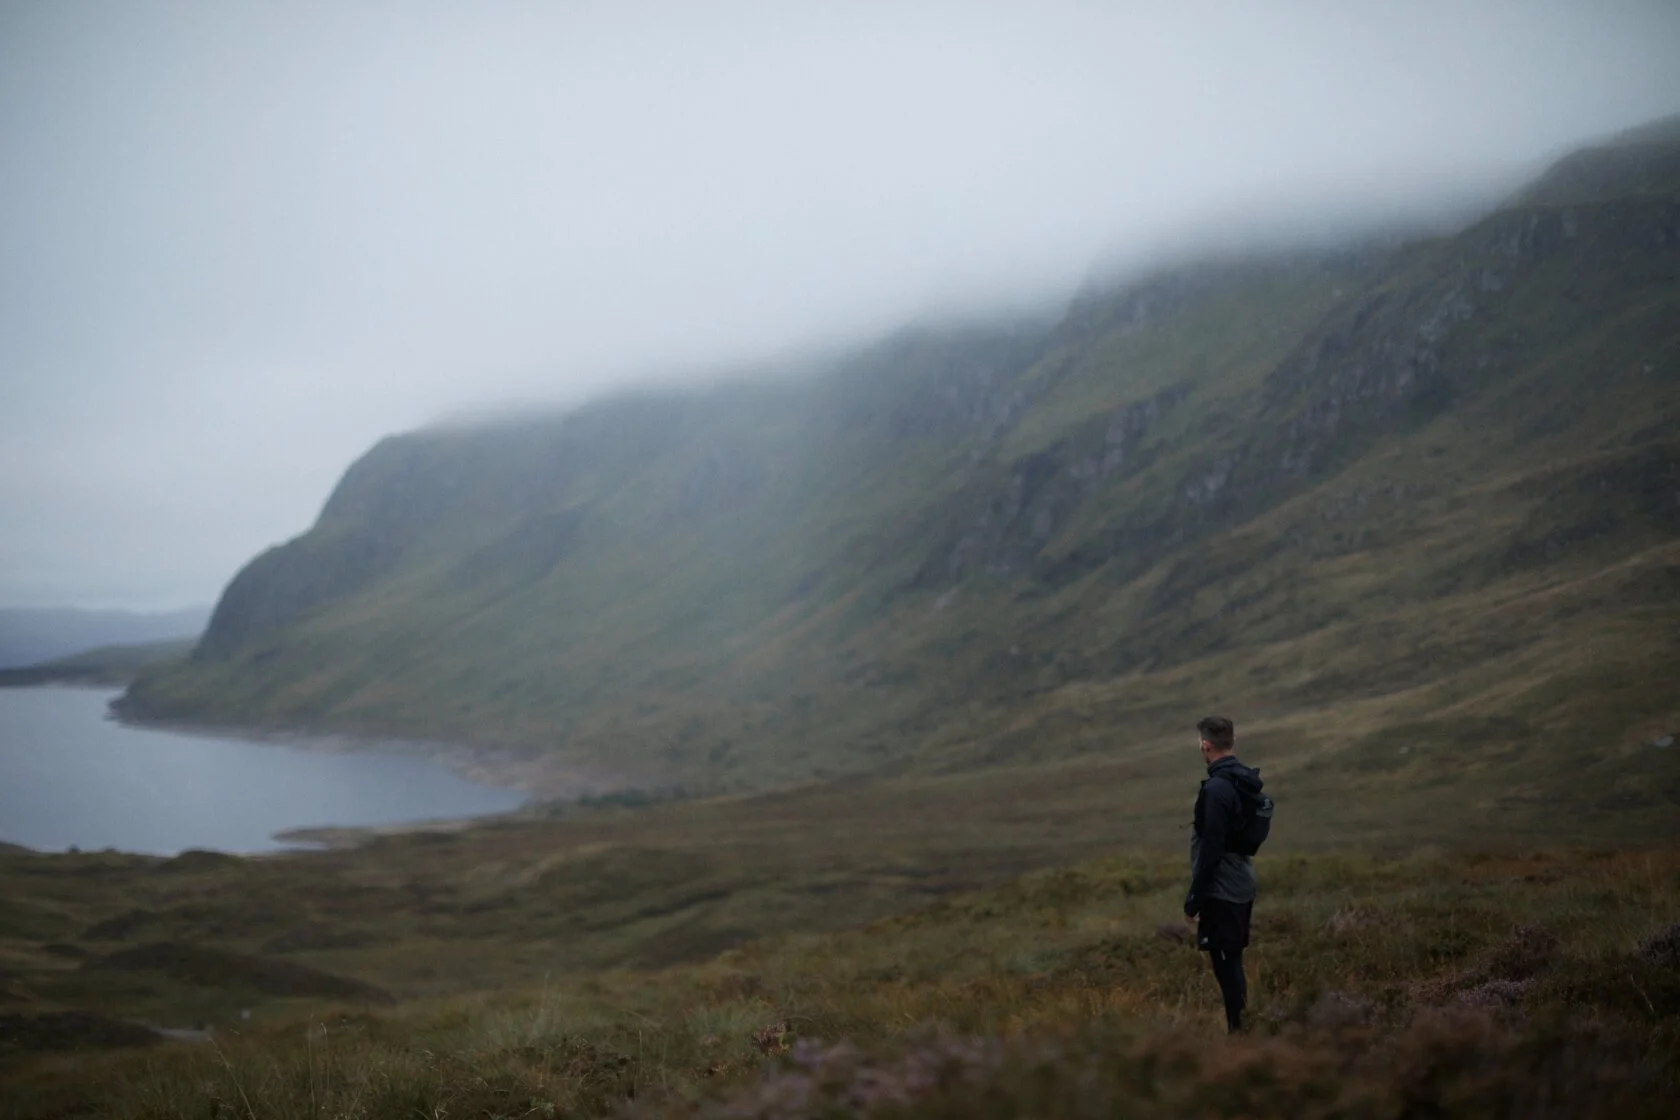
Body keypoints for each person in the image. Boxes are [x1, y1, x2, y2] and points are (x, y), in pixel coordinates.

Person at [1183, 715, 1264, 1033]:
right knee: (1232, 960)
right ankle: (1241, 1030)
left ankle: (1240, 1035)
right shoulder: (1242, 780)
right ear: (1233, 741)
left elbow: (1212, 848)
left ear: (1204, 745)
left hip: (1222, 889)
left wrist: (1195, 898)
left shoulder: (1217, 788)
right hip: (1241, 879)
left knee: (1226, 965)